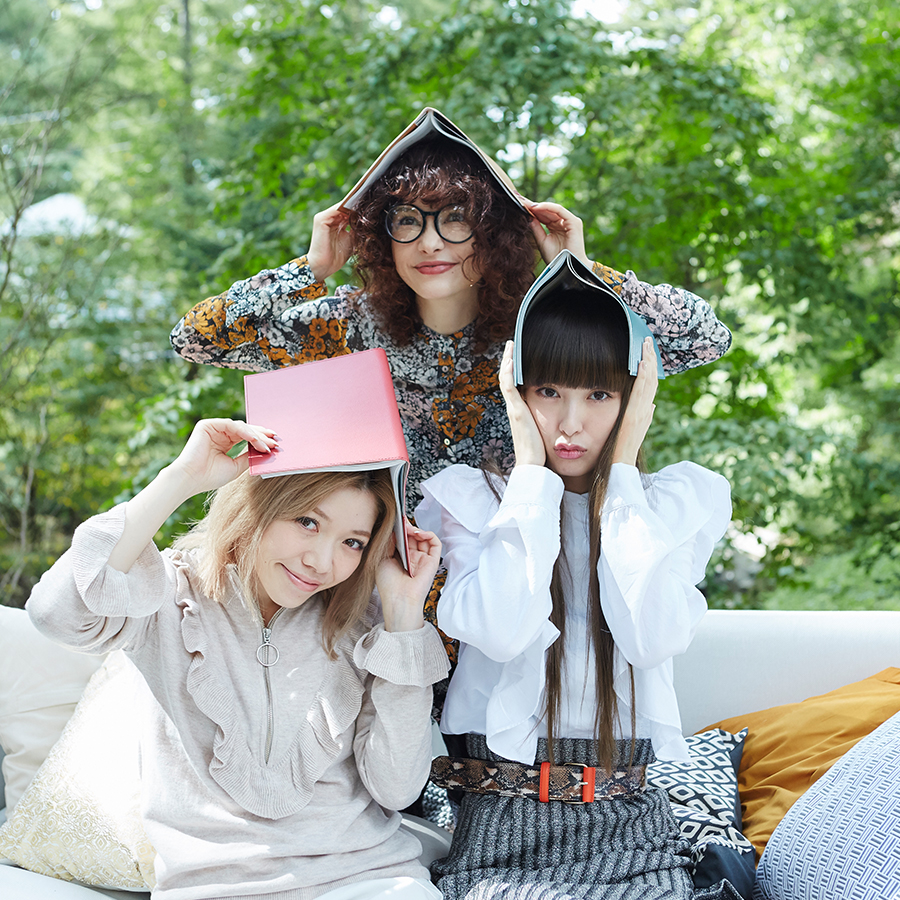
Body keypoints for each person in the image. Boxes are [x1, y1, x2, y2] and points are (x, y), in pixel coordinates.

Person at [169, 132, 733, 511]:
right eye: (407, 220)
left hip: (519, 602)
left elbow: (704, 338)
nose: (431, 242)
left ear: (493, 232)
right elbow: (198, 339)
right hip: (380, 608)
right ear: (382, 236)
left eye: (456, 219)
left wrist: (582, 273)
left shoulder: (539, 327)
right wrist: (310, 268)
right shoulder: (346, 328)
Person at [414, 253, 739, 900]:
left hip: (633, 834)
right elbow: (502, 631)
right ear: (517, 392)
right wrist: (531, 477)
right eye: (548, 392)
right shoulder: (472, 503)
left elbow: (648, 638)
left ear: (633, 398)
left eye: (599, 395)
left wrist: (623, 474)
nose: (570, 423)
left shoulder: (678, 503)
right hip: (500, 832)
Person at [26, 415, 450, 900]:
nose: (321, 561)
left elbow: (398, 788)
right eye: (307, 522)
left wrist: (403, 615)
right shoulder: (168, 596)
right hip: (215, 888)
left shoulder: (365, 625)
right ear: (258, 503)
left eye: (352, 542)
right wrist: (181, 477)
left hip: (368, 880)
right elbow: (56, 615)